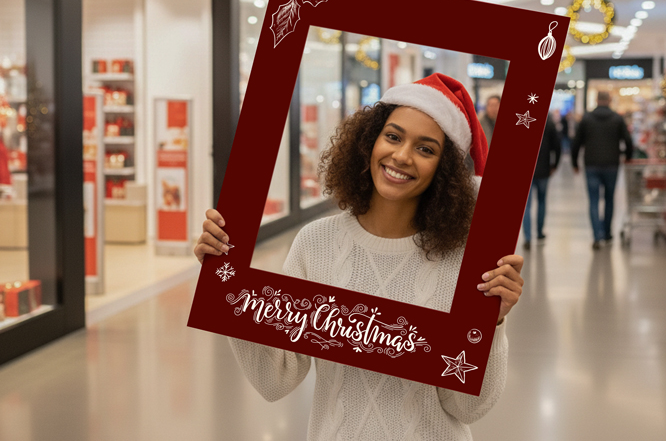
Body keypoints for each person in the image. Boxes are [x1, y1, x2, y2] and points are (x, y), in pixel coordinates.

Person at [195, 74, 524, 440]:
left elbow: (468, 408)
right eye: (393, 136)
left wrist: (491, 326)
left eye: (426, 149)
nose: (401, 156)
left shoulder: (466, 263)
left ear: (444, 170)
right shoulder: (315, 244)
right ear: (370, 141)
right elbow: (276, 378)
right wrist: (227, 286)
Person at [571, 91, 633, 249]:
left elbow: (577, 142)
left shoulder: (587, 118)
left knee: (593, 200)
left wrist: (574, 163)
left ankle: (596, 236)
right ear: (609, 100)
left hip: (591, 164)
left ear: (597, 100)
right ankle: (607, 233)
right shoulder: (617, 119)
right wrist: (628, 156)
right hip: (612, 164)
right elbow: (627, 140)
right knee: (609, 199)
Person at [522, 114, 561, 249]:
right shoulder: (549, 124)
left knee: (526, 206)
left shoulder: (522, 120)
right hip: (544, 169)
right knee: (542, 201)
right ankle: (539, 233)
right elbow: (557, 146)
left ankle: (527, 237)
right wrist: (554, 164)